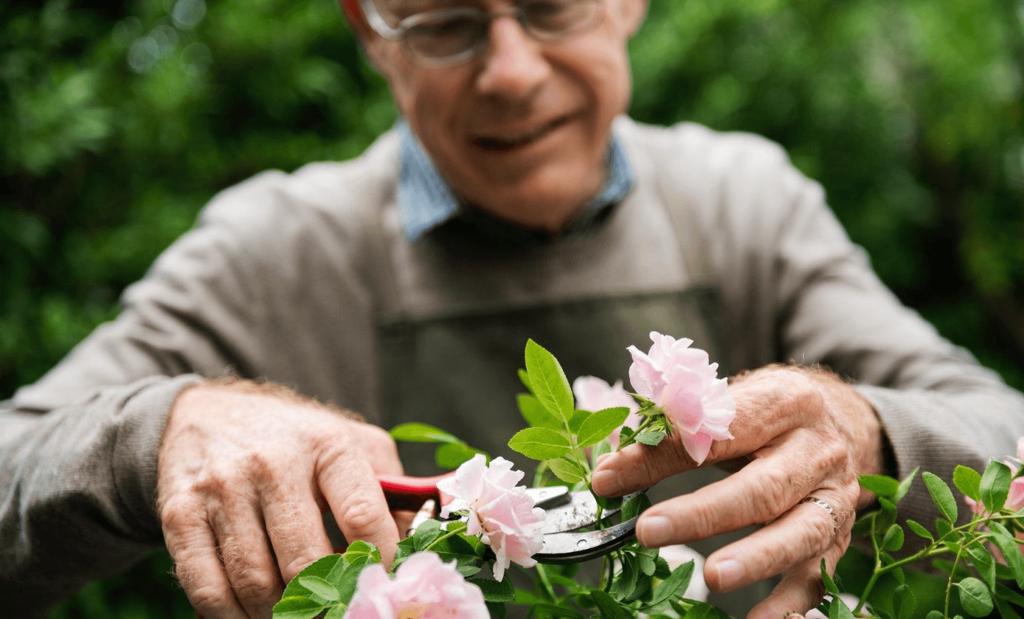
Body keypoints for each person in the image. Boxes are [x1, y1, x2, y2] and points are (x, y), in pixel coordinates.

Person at [1, 0, 1022, 618]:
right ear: (371, 30)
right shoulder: (270, 252)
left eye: (549, 7)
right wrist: (156, 433)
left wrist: (874, 432)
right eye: (444, 22)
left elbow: (1006, 436)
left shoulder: (744, 207)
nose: (510, 72)